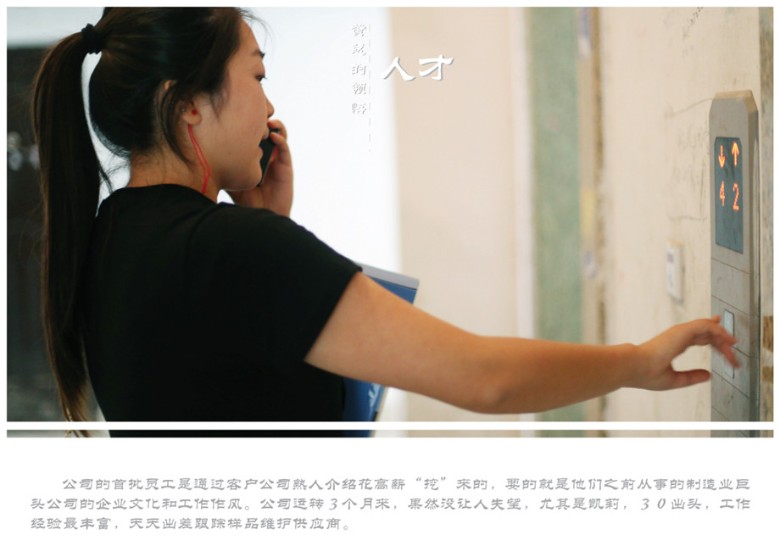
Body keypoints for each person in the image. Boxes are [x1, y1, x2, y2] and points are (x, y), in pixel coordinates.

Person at [32, 8, 739, 437]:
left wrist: (270, 222)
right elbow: (484, 377)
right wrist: (635, 361)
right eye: (257, 76)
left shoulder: (113, 241)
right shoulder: (230, 250)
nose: (269, 108)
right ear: (187, 103)